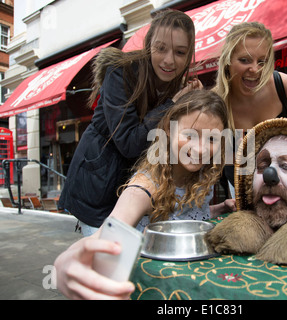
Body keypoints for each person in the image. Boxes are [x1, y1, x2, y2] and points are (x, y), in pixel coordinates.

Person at [54, 90, 236, 300]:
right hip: (150, 289)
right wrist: (66, 261)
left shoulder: (203, 175)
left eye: (212, 138)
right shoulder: (146, 185)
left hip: (189, 286)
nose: (201, 148)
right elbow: (107, 232)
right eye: (190, 135)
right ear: (169, 130)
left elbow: (189, 218)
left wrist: (221, 208)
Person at [58, 10, 202, 236]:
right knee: (106, 263)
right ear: (148, 44)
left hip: (138, 194)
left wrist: (192, 107)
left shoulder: (178, 87)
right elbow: (130, 143)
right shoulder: (120, 73)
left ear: (189, 54)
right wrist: (173, 104)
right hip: (98, 190)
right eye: (161, 48)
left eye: (180, 52)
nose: (169, 60)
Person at [212, 22, 287, 195]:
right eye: (245, 60)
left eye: (262, 61)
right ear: (227, 61)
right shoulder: (215, 102)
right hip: (241, 194)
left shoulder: (285, 87)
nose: (255, 69)